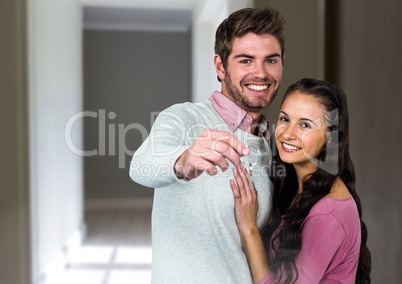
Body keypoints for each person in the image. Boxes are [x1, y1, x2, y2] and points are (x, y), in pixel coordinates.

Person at [129, 7, 286, 284]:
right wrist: (184, 161)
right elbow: (141, 166)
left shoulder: (274, 144)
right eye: (246, 61)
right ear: (220, 66)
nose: (260, 73)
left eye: (270, 60)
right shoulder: (183, 118)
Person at [230, 78, 372, 283]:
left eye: (304, 125)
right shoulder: (298, 187)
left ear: (330, 136)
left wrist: (249, 228)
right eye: (285, 119)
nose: (288, 133)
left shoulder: (327, 214)